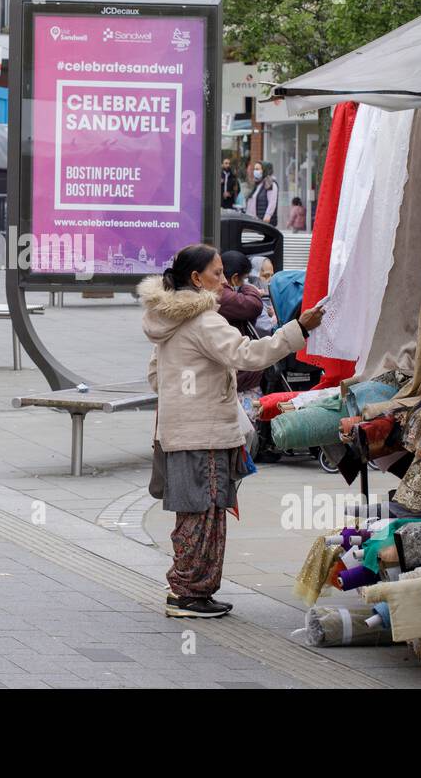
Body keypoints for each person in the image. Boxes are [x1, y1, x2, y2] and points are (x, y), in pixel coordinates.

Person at [139, 244, 323, 618]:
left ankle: (193, 591)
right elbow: (249, 355)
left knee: (196, 514)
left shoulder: (166, 319)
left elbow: (156, 377)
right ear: (196, 278)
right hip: (203, 433)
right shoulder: (203, 320)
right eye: (217, 273)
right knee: (204, 515)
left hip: (179, 431)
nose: (224, 281)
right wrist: (299, 328)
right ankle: (187, 594)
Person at [216, 251, 275, 393]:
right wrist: (250, 288)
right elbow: (254, 307)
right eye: (217, 274)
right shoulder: (226, 296)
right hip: (239, 375)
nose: (221, 280)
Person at [247, 160, 278, 226]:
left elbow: (272, 202)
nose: (255, 171)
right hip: (256, 221)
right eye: (254, 169)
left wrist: (267, 216)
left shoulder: (270, 183)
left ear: (265, 170)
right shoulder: (258, 184)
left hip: (265, 222)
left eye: (257, 169)